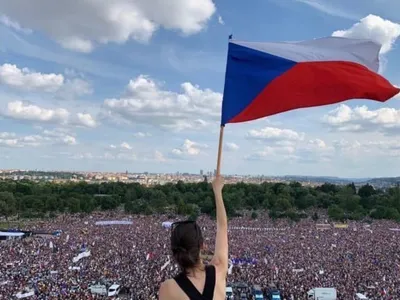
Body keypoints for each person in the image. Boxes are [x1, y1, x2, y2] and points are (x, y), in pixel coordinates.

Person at [159, 175, 228, 300]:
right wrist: (217, 192)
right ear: (202, 246)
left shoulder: (168, 289)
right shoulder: (219, 272)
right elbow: (222, 227)